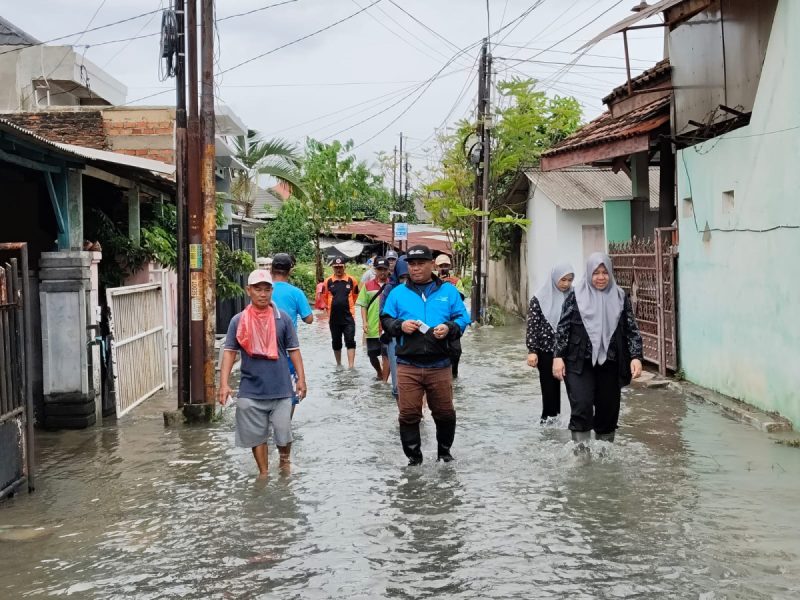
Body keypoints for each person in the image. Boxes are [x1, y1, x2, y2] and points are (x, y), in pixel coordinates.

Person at [381, 245, 471, 465]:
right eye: (412, 264)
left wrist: (449, 328)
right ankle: (414, 460)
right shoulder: (398, 293)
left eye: (421, 263)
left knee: (445, 413)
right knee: (408, 414)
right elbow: (386, 320)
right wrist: (400, 325)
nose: (416, 268)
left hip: (440, 364)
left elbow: (463, 318)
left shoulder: (448, 291)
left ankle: (444, 454)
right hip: (407, 364)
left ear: (432, 264)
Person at [218, 269, 307, 476]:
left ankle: (284, 462)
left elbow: (294, 350)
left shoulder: (282, 319)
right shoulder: (238, 321)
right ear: (248, 290)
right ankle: (263, 473)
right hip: (250, 389)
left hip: (282, 388)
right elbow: (230, 353)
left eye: (267, 289)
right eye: (258, 289)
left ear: (272, 291)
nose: (263, 294)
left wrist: (301, 379)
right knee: (256, 435)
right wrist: (223, 384)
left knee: (283, 432)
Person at [552, 252, 643, 447]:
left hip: (610, 363)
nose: (600, 277)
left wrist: (635, 356)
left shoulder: (619, 296)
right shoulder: (576, 296)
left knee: (608, 412)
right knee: (582, 406)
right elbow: (563, 327)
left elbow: (631, 328)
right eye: (596, 273)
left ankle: (604, 455)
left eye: (604, 273)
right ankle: (581, 456)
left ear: (610, 273)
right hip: (579, 362)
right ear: (589, 274)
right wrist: (558, 356)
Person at [526, 263, 575, 423]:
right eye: (563, 280)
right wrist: (532, 350)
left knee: (576, 389)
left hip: (570, 351)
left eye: (570, 280)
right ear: (554, 279)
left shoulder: (575, 297)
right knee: (550, 390)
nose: (566, 284)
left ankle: (578, 423)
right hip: (546, 350)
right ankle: (549, 423)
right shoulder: (539, 299)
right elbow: (532, 325)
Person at [270, 252, 313, 418]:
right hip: (288, 350)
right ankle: (285, 424)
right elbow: (308, 319)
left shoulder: (262, 290)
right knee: (290, 392)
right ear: (290, 271)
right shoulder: (296, 293)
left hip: (263, 349)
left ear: (272, 269)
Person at [356, 257, 391, 379]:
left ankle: (385, 381)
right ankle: (379, 372)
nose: (382, 272)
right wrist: (364, 322)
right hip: (372, 326)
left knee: (387, 354)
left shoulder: (392, 286)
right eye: (379, 269)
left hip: (388, 327)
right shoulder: (367, 286)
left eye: (384, 269)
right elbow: (363, 305)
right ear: (374, 270)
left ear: (388, 270)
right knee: (371, 354)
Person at [321, 257, 360, 367]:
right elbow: (324, 297)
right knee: (336, 342)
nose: (338, 269)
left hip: (349, 317)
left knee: (350, 341)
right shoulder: (327, 282)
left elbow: (355, 295)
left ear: (344, 267)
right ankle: (338, 364)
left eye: (340, 267)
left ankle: (351, 366)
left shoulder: (352, 280)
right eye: (336, 267)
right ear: (333, 268)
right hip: (334, 318)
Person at [380, 255, 408, 397]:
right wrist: (400, 325)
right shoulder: (389, 289)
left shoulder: (423, 289)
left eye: (408, 277)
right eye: (402, 277)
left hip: (419, 340)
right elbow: (383, 315)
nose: (406, 281)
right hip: (395, 338)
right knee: (398, 384)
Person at [434, 253, 466, 378]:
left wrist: (449, 287)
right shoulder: (431, 281)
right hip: (437, 320)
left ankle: (454, 374)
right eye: (441, 265)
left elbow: (461, 298)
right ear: (436, 267)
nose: (444, 268)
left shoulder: (456, 281)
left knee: (456, 351)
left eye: (446, 265)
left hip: (453, 322)